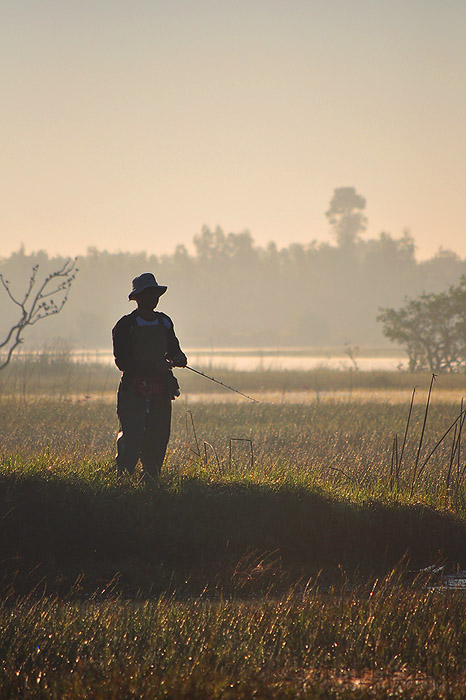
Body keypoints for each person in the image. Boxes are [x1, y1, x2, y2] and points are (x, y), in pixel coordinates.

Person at [112, 273, 187, 482]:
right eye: (147, 294)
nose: (152, 298)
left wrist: (178, 358)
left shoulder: (164, 322)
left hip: (160, 391)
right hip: (133, 391)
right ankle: (124, 478)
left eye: (154, 294)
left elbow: (173, 349)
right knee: (132, 435)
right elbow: (122, 363)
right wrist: (153, 366)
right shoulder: (125, 326)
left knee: (159, 436)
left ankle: (151, 479)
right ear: (138, 298)